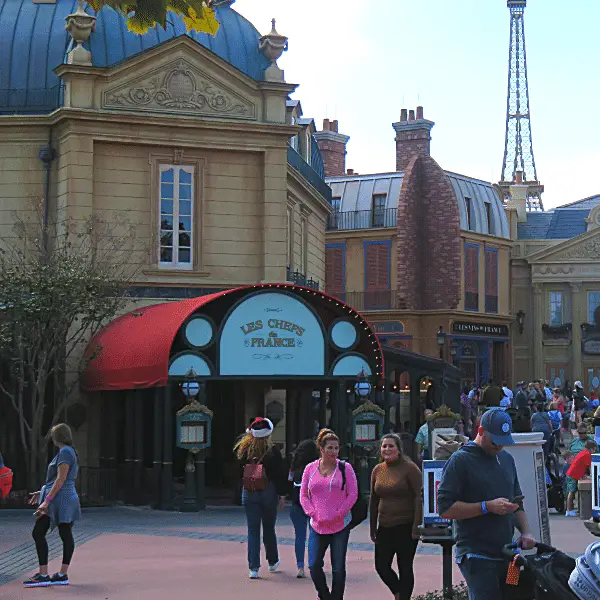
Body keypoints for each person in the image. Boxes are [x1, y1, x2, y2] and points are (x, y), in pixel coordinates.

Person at [437, 409, 535, 600]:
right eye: (495, 441)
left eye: (503, 441)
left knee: (515, 595)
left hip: (508, 554)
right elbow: (445, 509)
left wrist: (526, 532)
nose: (499, 446)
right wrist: (485, 507)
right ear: (481, 431)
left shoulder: (507, 459)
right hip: (476, 555)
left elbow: (517, 502)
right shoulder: (460, 460)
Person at [300, 428, 358, 600]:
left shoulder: (345, 468)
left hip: (339, 524)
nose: (333, 451)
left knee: (338, 567)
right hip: (317, 524)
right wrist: (312, 512)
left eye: (336, 448)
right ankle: (324, 595)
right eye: (330, 448)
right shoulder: (310, 469)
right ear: (321, 448)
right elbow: (303, 494)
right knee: (313, 565)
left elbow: (353, 493)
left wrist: (340, 513)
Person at [23, 424, 81, 588]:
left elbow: (60, 479)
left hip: (60, 499)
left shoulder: (65, 452)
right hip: (63, 497)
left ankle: (44, 574)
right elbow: (57, 480)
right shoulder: (69, 451)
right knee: (64, 533)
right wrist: (41, 493)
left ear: (57, 437)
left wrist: (47, 501)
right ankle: (61, 574)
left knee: (39, 532)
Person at [370, 434, 422, 600]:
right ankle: (398, 593)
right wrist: (372, 527)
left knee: (405, 567)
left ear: (399, 449)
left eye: (391, 446)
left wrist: (416, 526)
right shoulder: (378, 470)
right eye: (384, 446)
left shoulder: (410, 468)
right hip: (384, 525)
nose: (387, 449)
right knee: (381, 566)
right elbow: (373, 499)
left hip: (406, 526)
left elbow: (418, 497)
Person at [235, 417, 287, 579]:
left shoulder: (244, 450)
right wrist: (282, 494)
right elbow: (280, 474)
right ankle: (272, 560)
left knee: (253, 529)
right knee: (269, 527)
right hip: (268, 490)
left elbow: (237, 471)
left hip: (249, 490)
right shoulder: (273, 451)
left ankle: (253, 568)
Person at [289, 439, 319, 578]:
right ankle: (315, 563)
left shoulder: (294, 467)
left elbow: (289, 483)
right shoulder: (316, 467)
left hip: (296, 505)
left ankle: (300, 566)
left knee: (299, 537)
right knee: (315, 536)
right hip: (314, 505)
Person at [565, 439, 598, 517]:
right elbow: (590, 467)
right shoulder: (587, 454)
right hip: (572, 475)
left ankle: (571, 509)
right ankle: (569, 510)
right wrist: (594, 476)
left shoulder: (583, 452)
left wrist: (583, 475)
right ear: (590, 448)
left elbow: (580, 465)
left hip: (573, 474)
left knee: (573, 492)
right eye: (594, 449)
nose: (594, 450)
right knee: (571, 492)